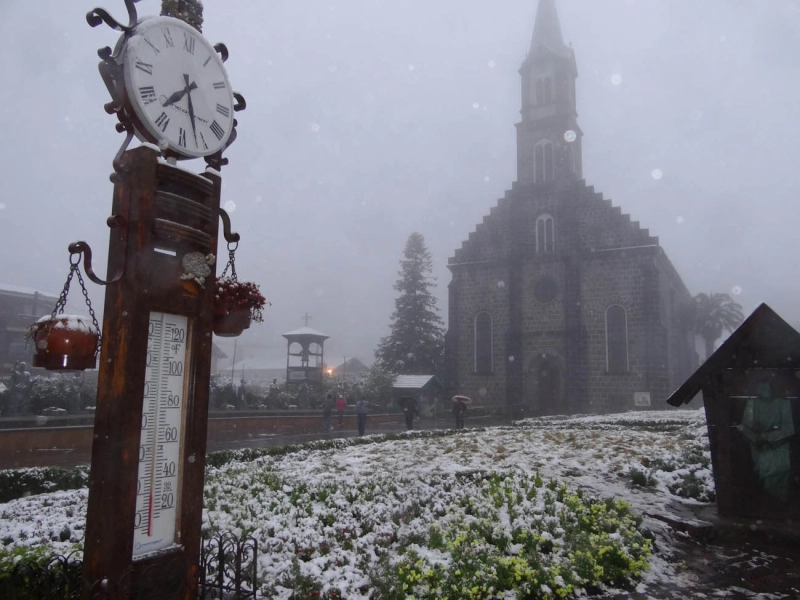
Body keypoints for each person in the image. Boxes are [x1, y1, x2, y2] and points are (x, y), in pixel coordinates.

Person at [739, 380, 795, 502]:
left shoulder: (783, 403)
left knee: (779, 480)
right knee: (763, 477)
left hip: (779, 448)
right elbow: (746, 427)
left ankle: (779, 503)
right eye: (762, 388)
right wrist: (758, 440)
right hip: (759, 448)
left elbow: (789, 429)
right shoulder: (753, 404)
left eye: (768, 388)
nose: (765, 391)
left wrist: (768, 437)